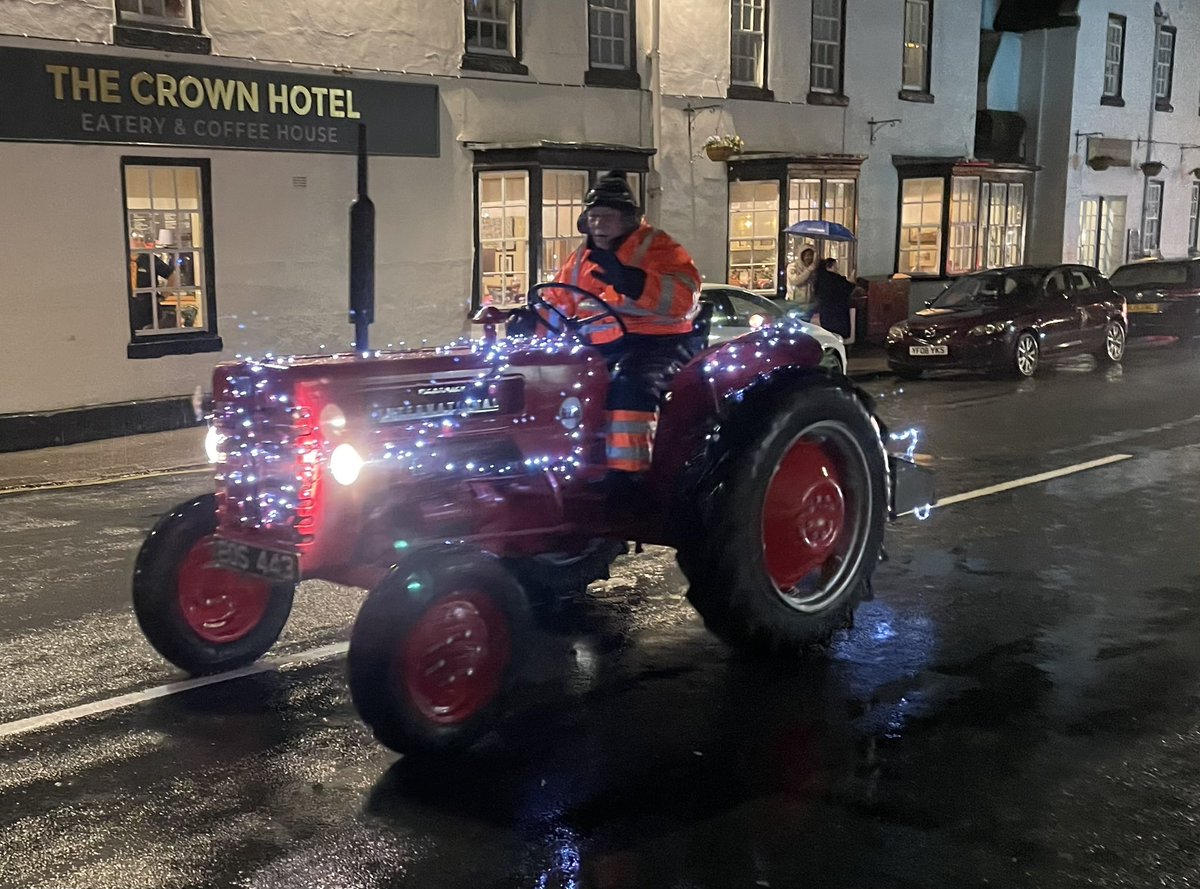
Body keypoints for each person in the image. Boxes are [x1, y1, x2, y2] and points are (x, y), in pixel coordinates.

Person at [546, 173, 702, 480]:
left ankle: (629, 476)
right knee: (558, 388)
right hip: (598, 347)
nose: (598, 225)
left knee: (630, 388)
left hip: (656, 344)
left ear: (628, 220)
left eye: (607, 217)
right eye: (593, 217)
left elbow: (684, 297)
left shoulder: (659, 247)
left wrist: (634, 281)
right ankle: (568, 470)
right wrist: (533, 319)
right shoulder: (581, 257)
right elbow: (559, 298)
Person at [128, 233, 176, 331]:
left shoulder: (150, 259)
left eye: (141, 240)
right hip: (128, 308)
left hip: (148, 308)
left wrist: (164, 295)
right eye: (136, 240)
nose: (139, 242)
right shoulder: (121, 260)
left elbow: (173, 276)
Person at [810, 257, 854, 338]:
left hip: (825, 311)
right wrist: (851, 282)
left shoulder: (819, 279)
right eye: (835, 266)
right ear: (831, 266)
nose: (837, 268)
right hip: (838, 312)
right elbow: (846, 290)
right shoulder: (836, 280)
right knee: (837, 334)